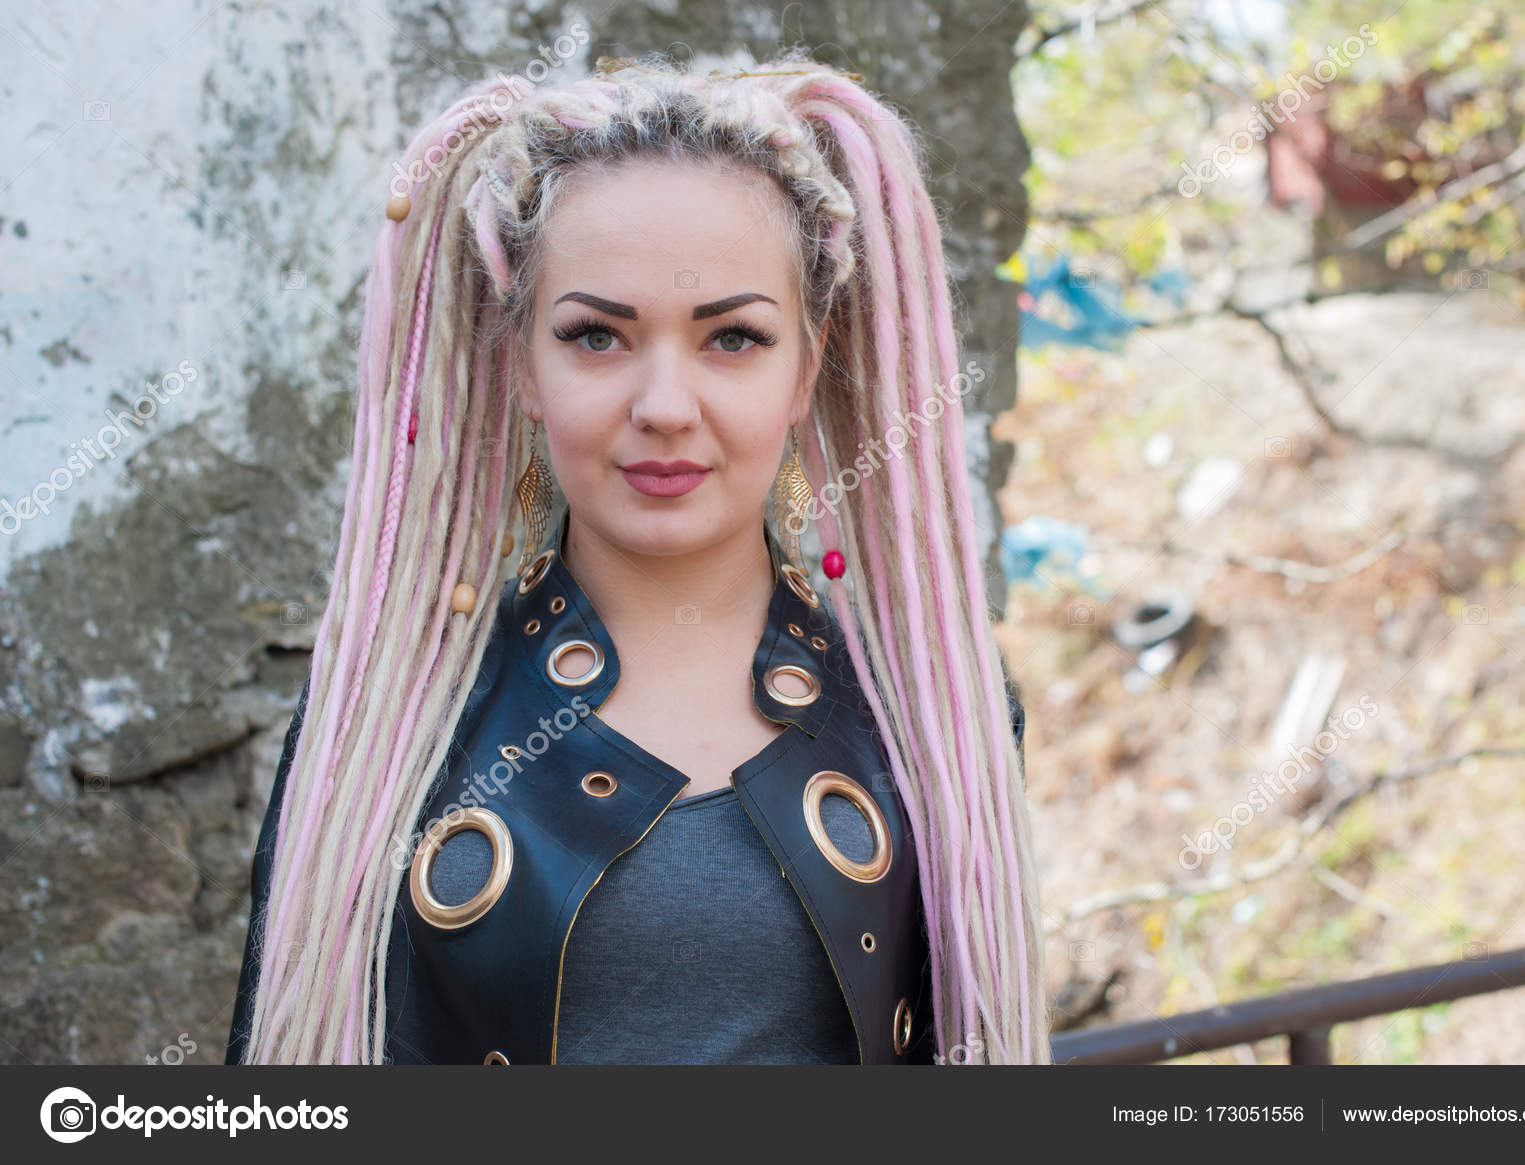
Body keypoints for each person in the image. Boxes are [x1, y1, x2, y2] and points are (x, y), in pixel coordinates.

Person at [224, 50, 1048, 1065]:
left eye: (732, 338)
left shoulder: (933, 718)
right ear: (521, 361)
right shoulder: (385, 720)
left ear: (808, 364)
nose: (663, 406)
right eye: (597, 337)